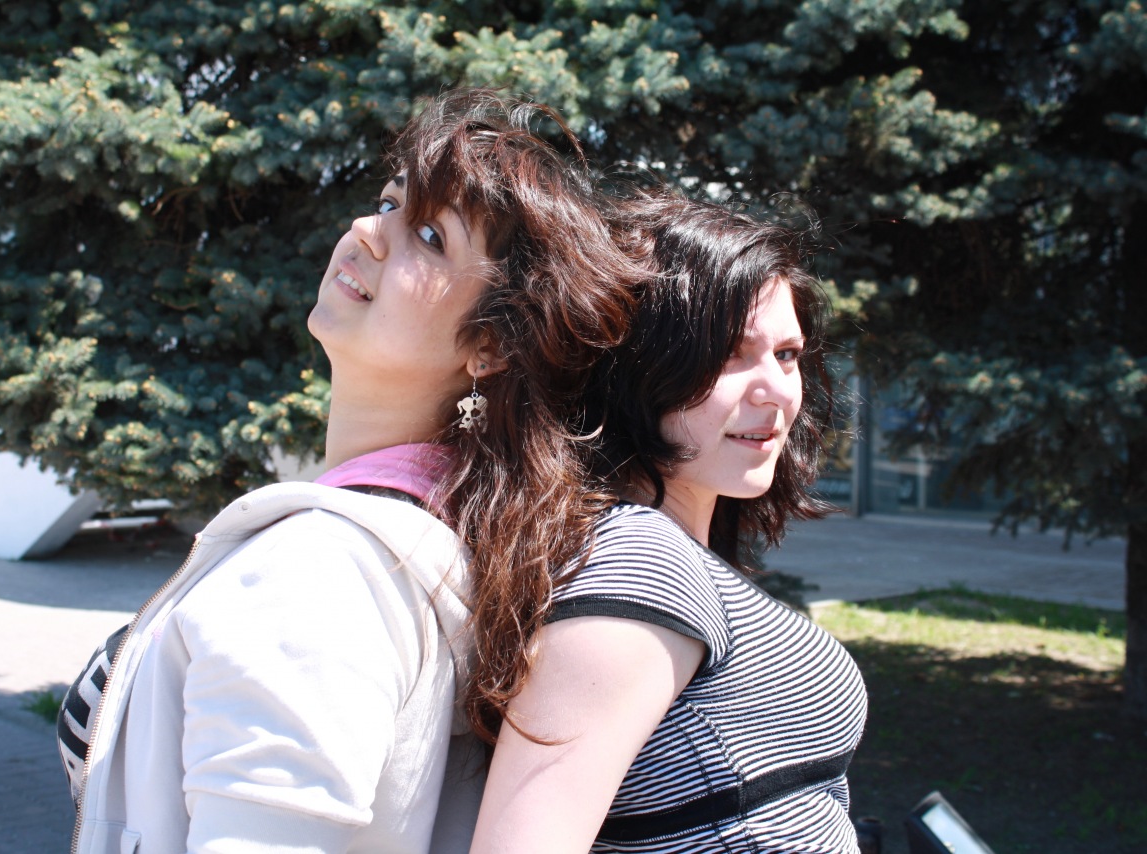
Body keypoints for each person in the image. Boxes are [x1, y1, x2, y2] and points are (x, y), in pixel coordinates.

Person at [58, 88, 643, 854]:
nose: (368, 230)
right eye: (388, 201)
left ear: (490, 347)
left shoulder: (323, 571)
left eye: (429, 236)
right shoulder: (440, 537)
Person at [468, 194, 869, 853]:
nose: (776, 390)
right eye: (732, 354)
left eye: (788, 354)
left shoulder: (659, 551)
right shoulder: (638, 561)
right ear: (640, 367)